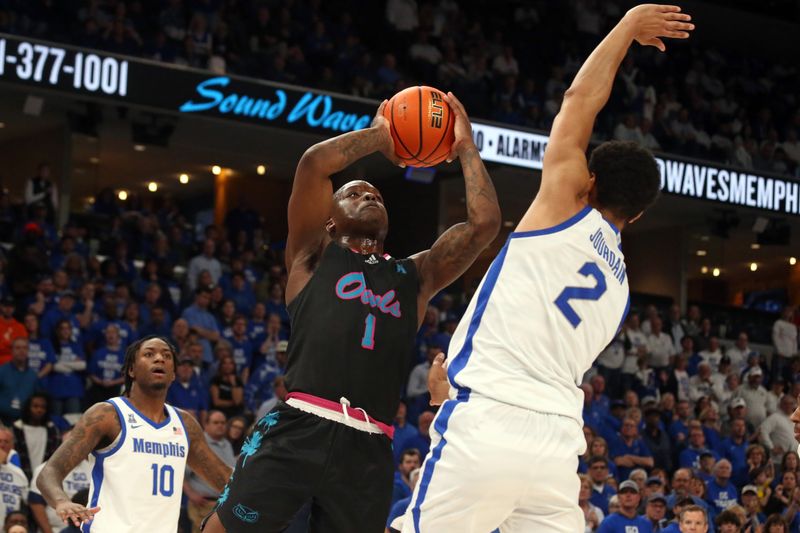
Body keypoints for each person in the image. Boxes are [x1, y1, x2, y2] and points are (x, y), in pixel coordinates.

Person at [406, 5, 692, 532]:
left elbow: (578, 100)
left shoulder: (565, 202)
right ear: (641, 213)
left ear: (590, 181)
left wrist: (627, 25)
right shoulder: (622, 290)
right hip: (557, 450)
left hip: (489, 418)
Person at [203, 90, 500, 533]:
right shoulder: (312, 254)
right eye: (355, 192)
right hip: (300, 424)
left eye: (376, 194)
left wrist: (465, 148)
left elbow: (484, 225)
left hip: (370, 445)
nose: (368, 195)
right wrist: (383, 135)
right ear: (329, 220)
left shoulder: (414, 275)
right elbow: (313, 164)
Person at [36, 336, 233, 532]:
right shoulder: (107, 415)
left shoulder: (185, 424)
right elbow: (49, 472)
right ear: (131, 370)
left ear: (173, 373)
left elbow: (225, 480)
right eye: (149, 354)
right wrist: (62, 502)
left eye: (166, 356)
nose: (159, 359)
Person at [183, 411, 237, 533]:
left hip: (223, 506)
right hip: (203, 506)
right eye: (216, 422)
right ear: (206, 425)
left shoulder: (227, 444)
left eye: (223, 423)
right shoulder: (198, 444)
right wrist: (191, 494)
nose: (220, 425)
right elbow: (180, 473)